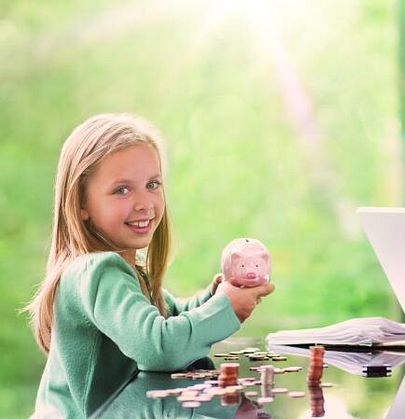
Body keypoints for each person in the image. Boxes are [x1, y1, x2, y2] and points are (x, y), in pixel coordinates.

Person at [26, 113, 275, 417]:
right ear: (81, 205)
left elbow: (170, 316)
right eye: (122, 189)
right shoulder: (96, 272)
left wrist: (217, 296)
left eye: (152, 184)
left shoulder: (126, 271)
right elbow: (158, 346)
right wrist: (226, 308)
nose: (145, 203)